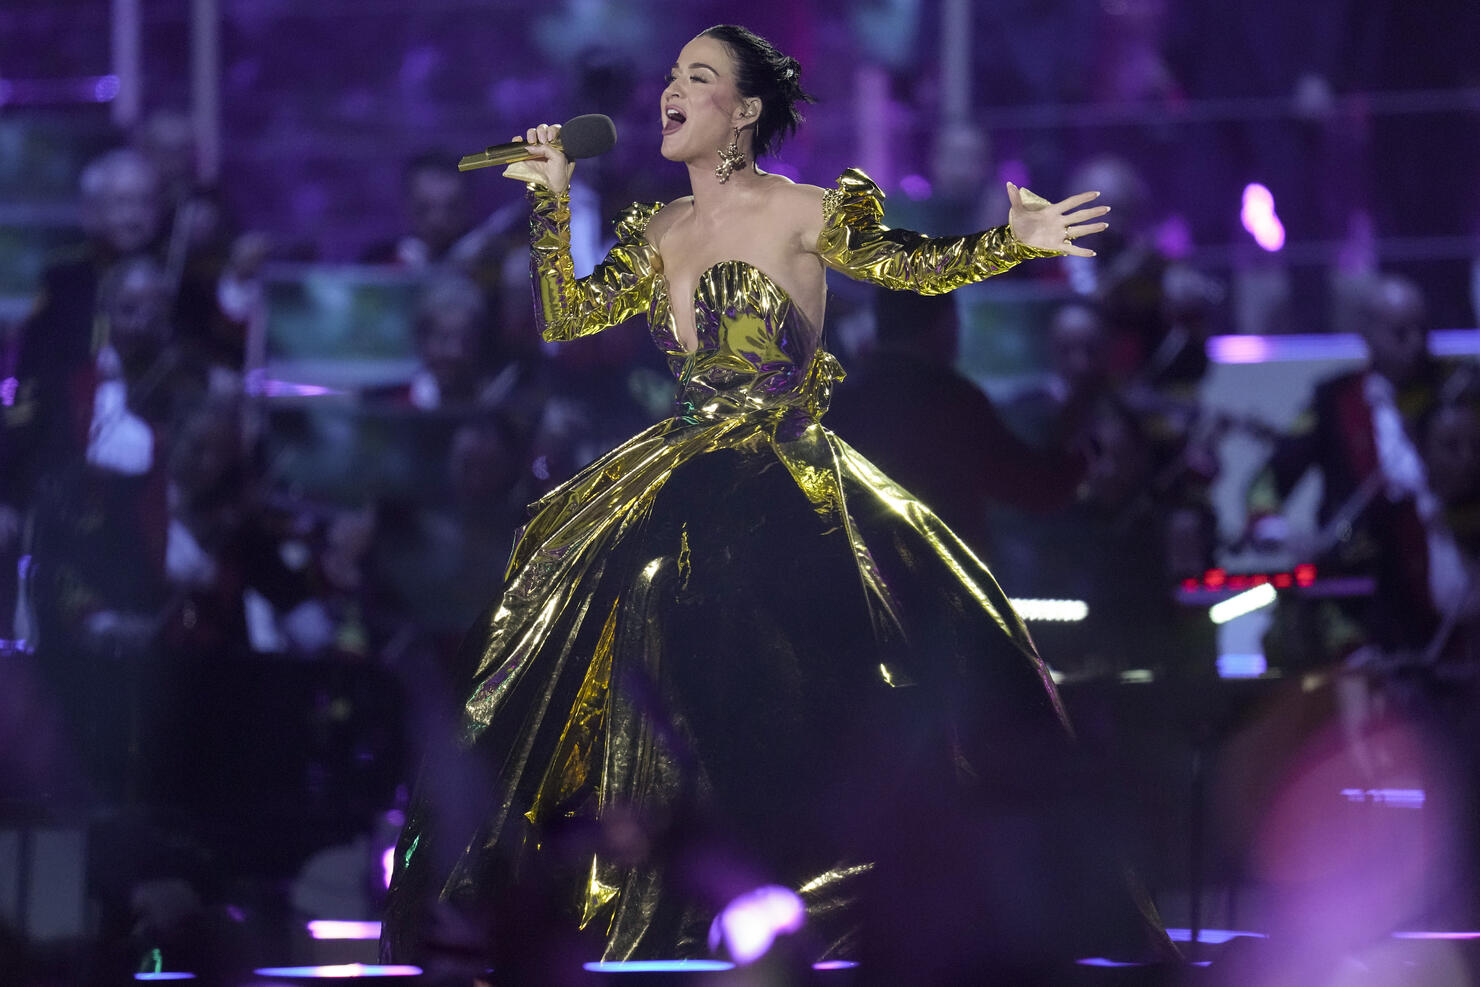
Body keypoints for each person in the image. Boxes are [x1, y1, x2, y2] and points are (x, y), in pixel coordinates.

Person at [383, 25, 1163, 978]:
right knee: (587, 596)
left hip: (790, 476)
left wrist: (1010, 240)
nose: (672, 92)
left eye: (699, 79)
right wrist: (554, 203)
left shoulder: (805, 209)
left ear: (745, 111)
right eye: (670, 77)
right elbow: (566, 319)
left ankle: (857, 886)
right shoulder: (659, 227)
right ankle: (635, 885)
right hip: (677, 468)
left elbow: (909, 267)